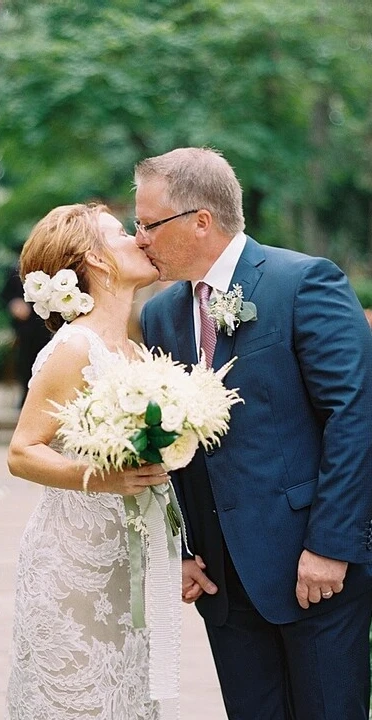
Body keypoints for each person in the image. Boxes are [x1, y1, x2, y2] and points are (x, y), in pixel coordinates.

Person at [134, 147, 372, 720]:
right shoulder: (161, 315)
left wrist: (330, 547)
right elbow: (169, 442)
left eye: (147, 224)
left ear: (200, 220)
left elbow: (355, 415)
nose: (139, 238)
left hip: (312, 568)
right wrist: (185, 548)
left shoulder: (304, 282)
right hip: (222, 580)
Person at [4, 203, 176, 720]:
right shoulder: (76, 346)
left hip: (129, 565)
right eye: (123, 233)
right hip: (73, 568)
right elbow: (21, 452)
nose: (140, 240)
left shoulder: (138, 352)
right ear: (96, 261)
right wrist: (102, 479)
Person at [1, 264, 51, 406]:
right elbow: (5, 295)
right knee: (26, 361)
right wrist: (14, 304)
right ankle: (27, 397)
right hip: (26, 327)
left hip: (47, 326)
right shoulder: (16, 269)